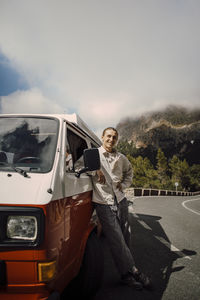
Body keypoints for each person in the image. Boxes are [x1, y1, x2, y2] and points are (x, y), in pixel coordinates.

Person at [92, 127, 151, 290]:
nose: (111, 139)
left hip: (121, 201)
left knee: (125, 237)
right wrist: (94, 169)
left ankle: (124, 275)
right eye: (109, 136)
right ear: (102, 137)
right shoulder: (92, 155)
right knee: (117, 239)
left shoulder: (121, 157)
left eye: (114, 137)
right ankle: (134, 271)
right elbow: (75, 168)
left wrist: (124, 185)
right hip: (103, 203)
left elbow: (130, 173)